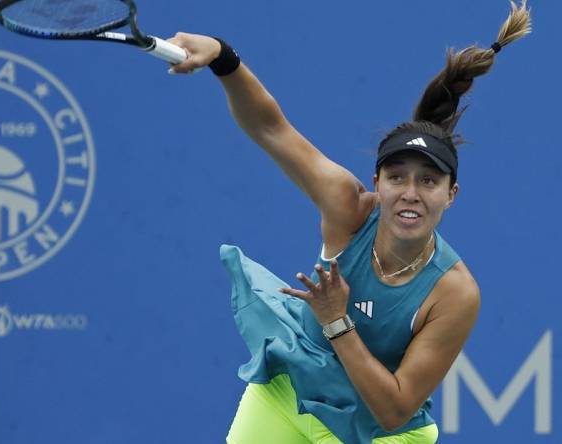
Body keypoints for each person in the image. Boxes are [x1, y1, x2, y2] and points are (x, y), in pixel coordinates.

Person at [168, 2, 531, 443]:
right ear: (377, 182)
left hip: (377, 432)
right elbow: (271, 128)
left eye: (428, 181)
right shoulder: (349, 209)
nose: (411, 193)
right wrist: (223, 57)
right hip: (292, 390)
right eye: (397, 177)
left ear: (451, 195)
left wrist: (337, 320)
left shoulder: (454, 293)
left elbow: (396, 408)